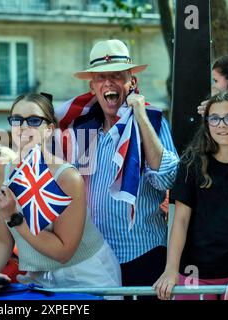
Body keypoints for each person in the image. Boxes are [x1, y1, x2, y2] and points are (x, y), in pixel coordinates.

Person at [66, 39, 179, 290]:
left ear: (132, 82)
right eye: (101, 78)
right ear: (92, 86)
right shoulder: (82, 129)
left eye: (117, 76)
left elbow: (167, 179)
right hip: (94, 258)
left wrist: (140, 116)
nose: (109, 83)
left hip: (143, 255)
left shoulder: (153, 121)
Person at [0, 93, 122, 294]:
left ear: (49, 130)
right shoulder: (5, 172)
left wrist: (14, 217)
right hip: (39, 279)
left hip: (86, 276)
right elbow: (1, 238)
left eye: (34, 120)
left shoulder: (67, 176)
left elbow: (63, 251)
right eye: (17, 119)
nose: (23, 126)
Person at [153, 92, 228, 300]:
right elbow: (180, 221)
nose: (221, 125)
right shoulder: (191, 163)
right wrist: (171, 270)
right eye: (214, 118)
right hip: (195, 272)